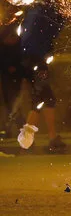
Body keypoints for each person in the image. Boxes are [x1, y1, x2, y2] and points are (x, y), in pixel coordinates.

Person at [18, 0, 66, 152]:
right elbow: (56, 29)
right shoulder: (45, 12)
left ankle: (50, 137)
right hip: (38, 60)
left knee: (43, 98)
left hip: (28, 60)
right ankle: (28, 139)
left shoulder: (31, 12)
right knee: (43, 97)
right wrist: (64, 15)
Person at [0, 10, 25, 138]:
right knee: (9, 101)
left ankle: (19, 127)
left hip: (13, 70)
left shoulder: (12, 27)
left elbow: (14, 43)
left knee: (13, 100)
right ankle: (11, 128)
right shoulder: (7, 27)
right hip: (7, 69)